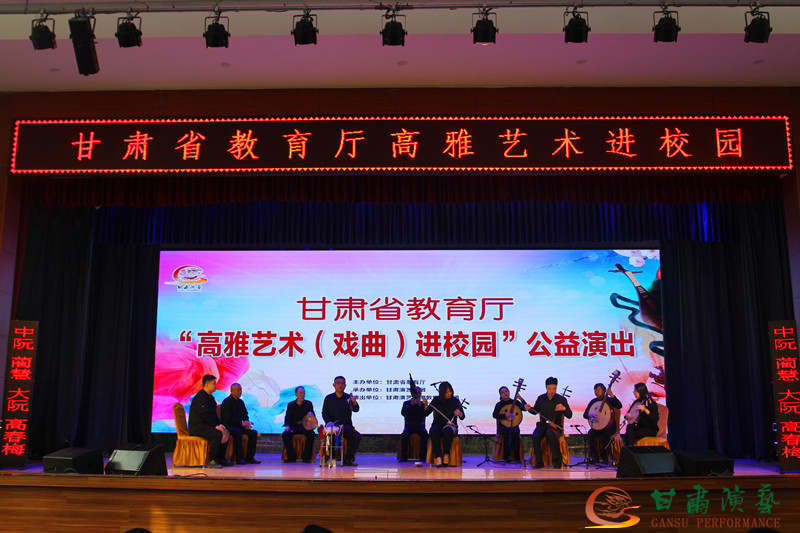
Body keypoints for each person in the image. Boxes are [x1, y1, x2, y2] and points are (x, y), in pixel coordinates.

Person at [526, 376, 572, 469]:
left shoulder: (561, 399)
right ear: (546, 388)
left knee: (550, 433)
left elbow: (569, 415)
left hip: (555, 427)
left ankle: (558, 460)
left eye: (554, 388)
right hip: (543, 424)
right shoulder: (541, 398)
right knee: (535, 435)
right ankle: (539, 462)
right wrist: (529, 409)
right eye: (550, 389)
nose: (552, 391)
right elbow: (535, 411)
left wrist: (564, 408)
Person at [188, 374, 232, 468]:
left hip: (206, 425)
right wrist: (214, 426)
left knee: (225, 431)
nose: (216, 385)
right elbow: (204, 415)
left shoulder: (211, 398)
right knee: (217, 434)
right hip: (197, 426)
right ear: (207, 385)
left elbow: (213, 415)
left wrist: (219, 424)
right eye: (214, 383)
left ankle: (221, 458)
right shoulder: (200, 397)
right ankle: (211, 461)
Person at [321, 376, 361, 466]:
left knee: (357, 437)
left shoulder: (348, 397)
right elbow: (324, 412)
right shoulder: (328, 398)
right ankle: (332, 458)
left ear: (345, 386)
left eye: (342, 383)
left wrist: (354, 402)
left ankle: (347, 459)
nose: (340, 385)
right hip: (333, 426)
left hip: (345, 426)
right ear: (334, 385)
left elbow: (356, 409)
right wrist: (328, 421)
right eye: (338, 383)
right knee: (330, 436)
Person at [219, 382, 261, 464]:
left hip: (239, 426)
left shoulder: (241, 402)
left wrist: (247, 422)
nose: (240, 392)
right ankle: (239, 458)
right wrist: (241, 424)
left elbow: (245, 414)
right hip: (229, 426)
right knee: (237, 433)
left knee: (253, 433)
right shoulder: (226, 402)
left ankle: (249, 457)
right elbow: (227, 419)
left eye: (241, 390)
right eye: (238, 390)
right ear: (232, 391)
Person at [426, 381, 465, 467]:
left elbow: (463, 417)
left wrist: (459, 413)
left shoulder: (456, 401)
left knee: (448, 430)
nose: (449, 394)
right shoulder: (436, 400)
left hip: (451, 425)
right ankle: (438, 457)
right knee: (434, 431)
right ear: (441, 392)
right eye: (446, 392)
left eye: (450, 391)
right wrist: (425, 405)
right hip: (438, 424)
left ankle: (446, 455)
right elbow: (426, 413)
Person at [582, 382, 623, 463]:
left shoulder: (609, 400)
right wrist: (590, 415)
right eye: (595, 390)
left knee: (606, 434)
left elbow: (619, 406)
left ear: (604, 391)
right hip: (597, 427)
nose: (596, 392)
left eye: (598, 390)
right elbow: (585, 414)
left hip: (609, 427)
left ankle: (605, 457)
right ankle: (596, 457)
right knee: (591, 434)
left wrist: (612, 395)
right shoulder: (593, 401)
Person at [282, 385, 317, 463]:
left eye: (303, 393)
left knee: (311, 434)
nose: (302, 395)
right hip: (294, 426)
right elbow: (288, 416)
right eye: (300, 393)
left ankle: (306, 457)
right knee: (285, 435)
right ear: (296, 394)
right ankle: (291, 457)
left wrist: (311, 415)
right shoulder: (291, 404)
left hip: (305, 426)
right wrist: (287, 426)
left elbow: (313, 416)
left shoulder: (308, 403)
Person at [492, 386, 525, 462]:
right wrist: (504, 415)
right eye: (503, 392)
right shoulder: (499, 404)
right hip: (503, 427)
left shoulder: (515, 402)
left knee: (515, 432)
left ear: (509, 392)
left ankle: (517, 458)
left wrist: (521, 399)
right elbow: (494, 415)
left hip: (514, 426)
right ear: (500, 395)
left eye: (506, 391)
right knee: (507, 432)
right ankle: (506, 457)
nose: (505, 393)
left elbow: (525, 408)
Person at [623, 382, 659, 446]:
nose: (634, 393)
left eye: (635, 391)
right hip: (639, 427)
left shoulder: (650, 403)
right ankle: (630, 448)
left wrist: (645, 409)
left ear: (641, 392)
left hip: (650, 429)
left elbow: (655, 419)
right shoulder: (637, 402)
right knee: (628, 430)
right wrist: (627, 416)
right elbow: (629, 413)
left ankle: (631, 448)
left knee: (629, 433)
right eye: (634, 391)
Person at [399, 386, 428, 462]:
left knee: (425, 434)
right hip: (409, 425)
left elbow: (425, 413)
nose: (417, 394)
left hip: (419, 426)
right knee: (405, 434)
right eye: (416, 392)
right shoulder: (406, 403)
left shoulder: (422, 404)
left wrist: (423, 406)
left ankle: (423, 457)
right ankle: (404, 456)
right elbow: (403, 413)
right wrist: (410, 405)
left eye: (419, 393)